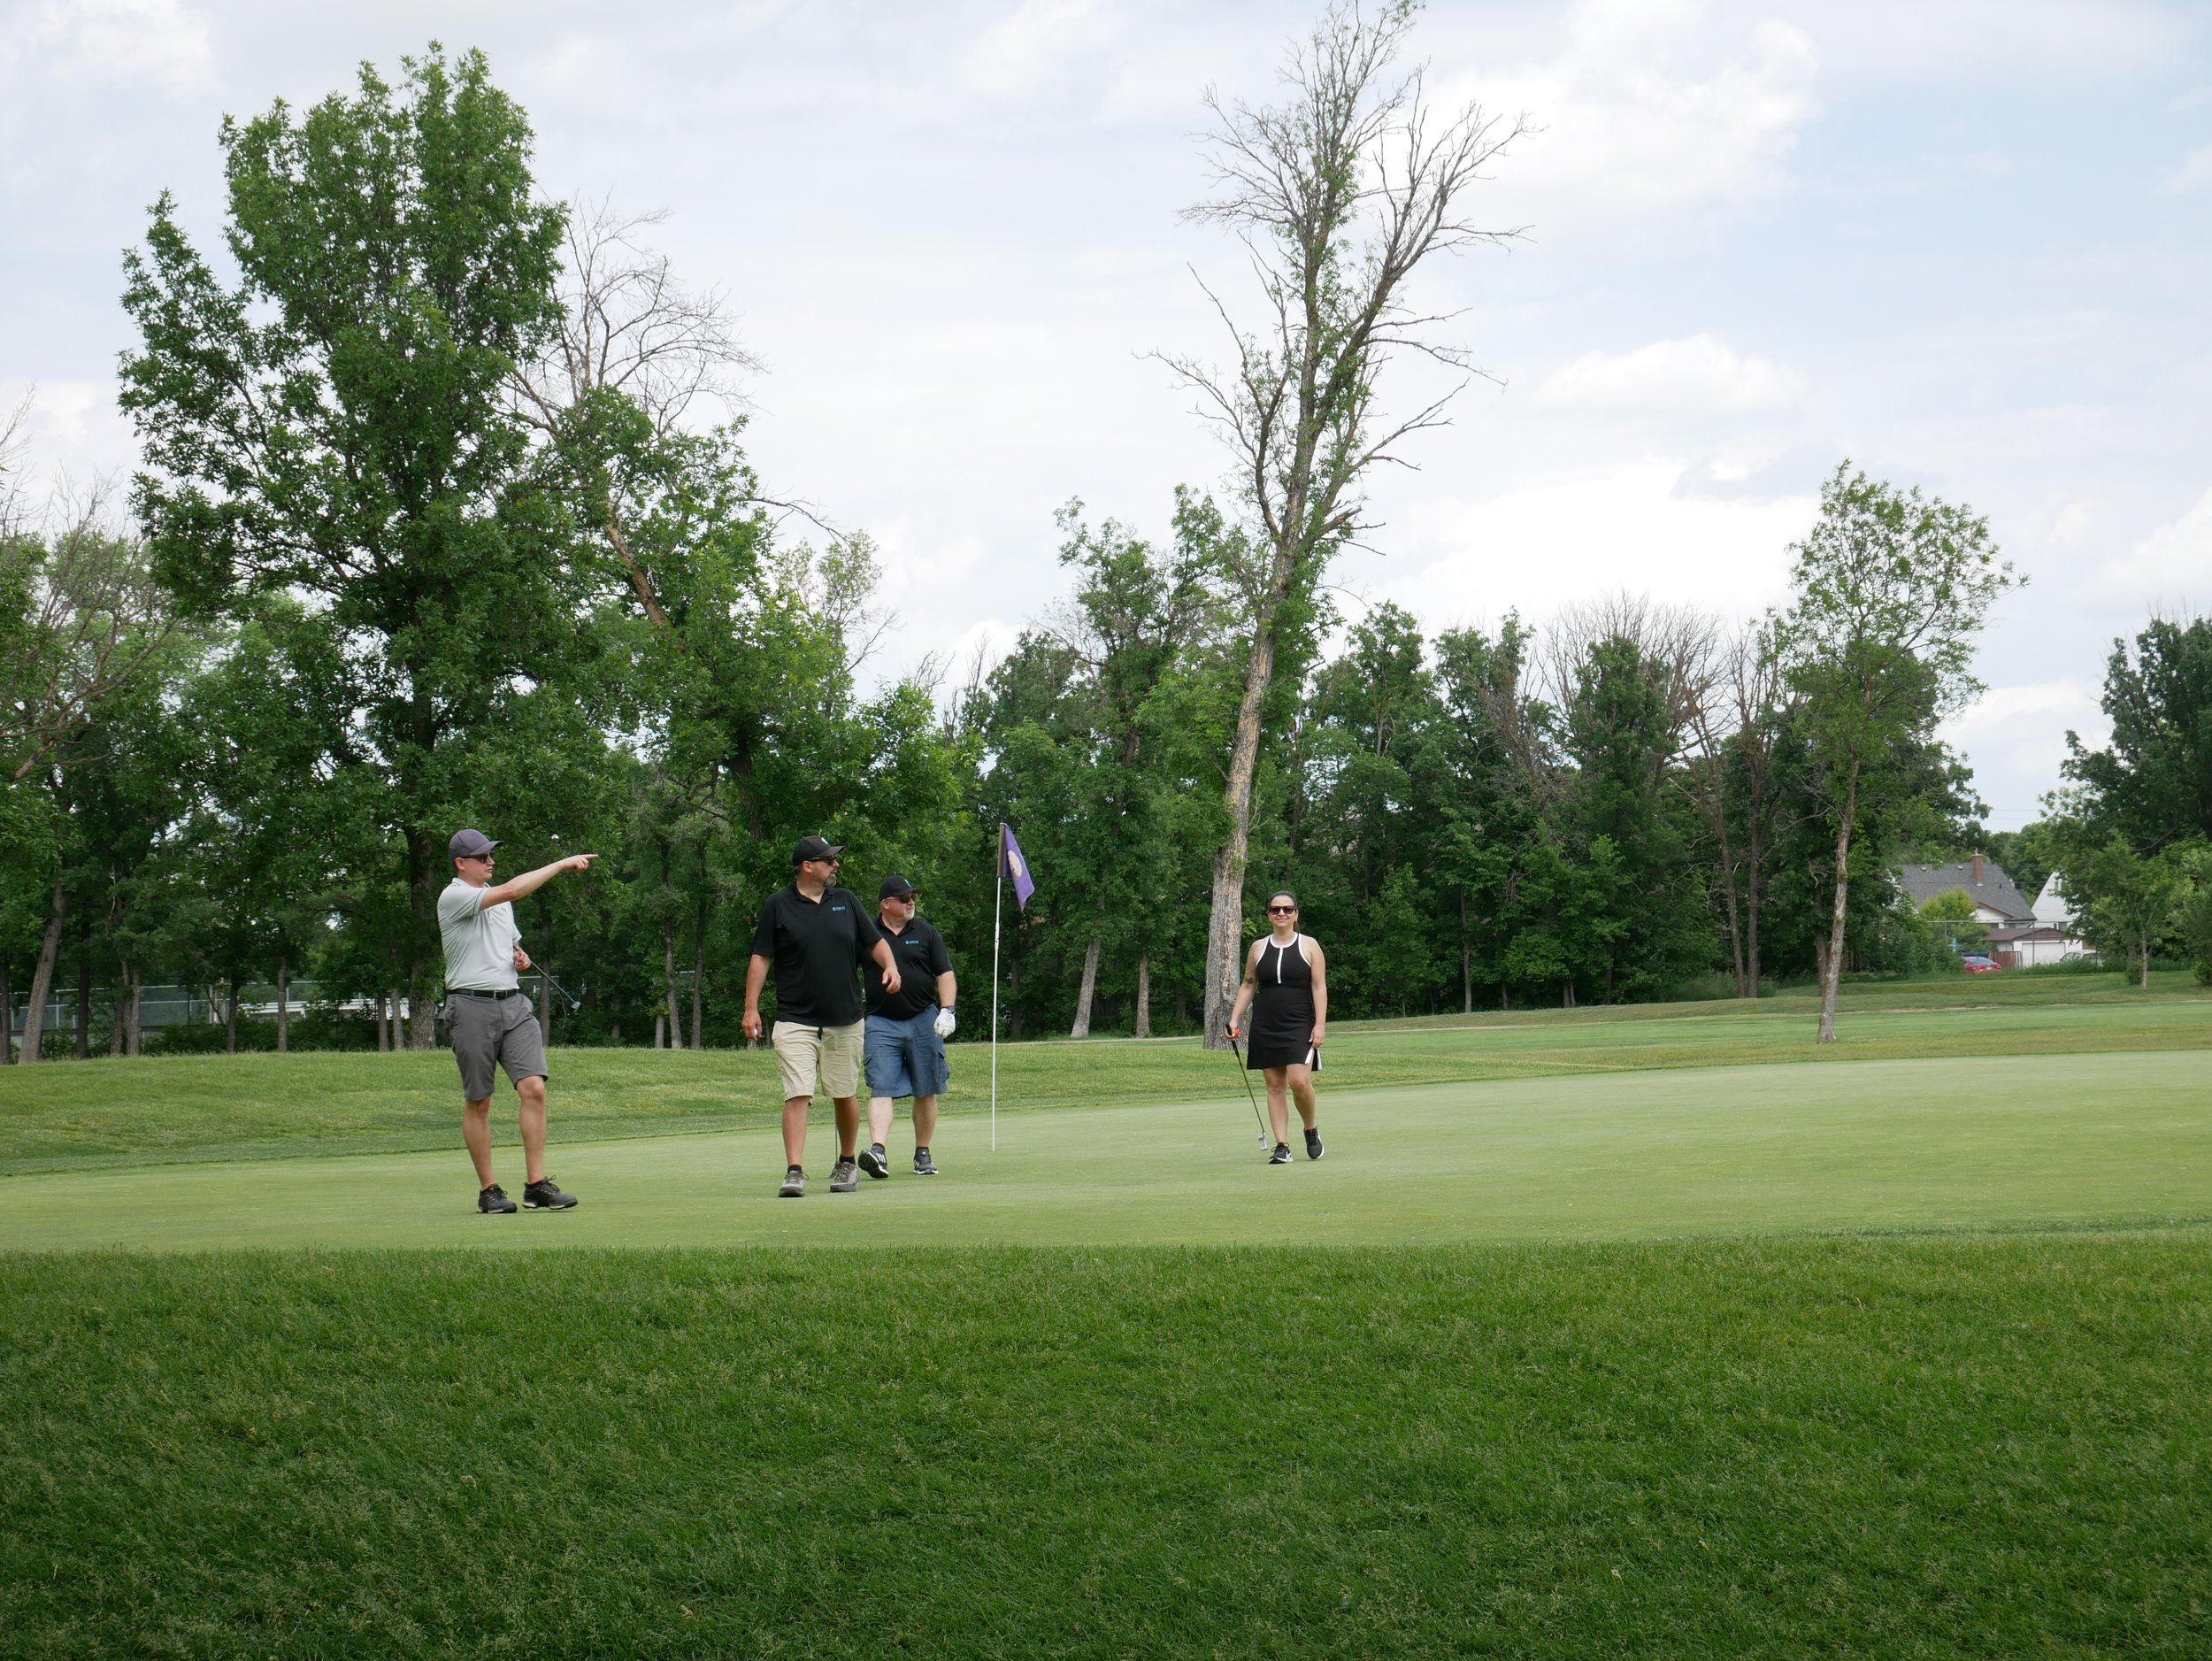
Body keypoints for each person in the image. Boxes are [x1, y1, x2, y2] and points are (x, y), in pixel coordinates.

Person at [437, 828, 599, 1213]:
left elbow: (509, 942)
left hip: (513, 1004)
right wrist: (560, 864)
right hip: (470, 1005)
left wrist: (520, 957)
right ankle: (489, 1190)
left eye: (491, 855)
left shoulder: (499, 903)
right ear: (462, 864)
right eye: (482, 857)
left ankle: (536, 1185)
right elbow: (512, 890)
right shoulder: (455, 895)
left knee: (534, 1089)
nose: (490, 861)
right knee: (480, 1101)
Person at [743, 835, 902, 1197]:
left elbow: (874, 941)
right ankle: (795, 1171)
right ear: (806, 866)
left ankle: (846, 1163)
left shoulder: (845, 901)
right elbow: (761, 957)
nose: (835, 865)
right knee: (797, 1093)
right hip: (794, 1019)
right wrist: (751, 1007)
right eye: (828, 860)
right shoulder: (778, 905)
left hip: (845, 1018)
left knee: (844, 1093)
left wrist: (891, 966)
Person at [858, 874, 956, 1178]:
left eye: (912, 897)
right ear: (886, 904)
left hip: (923, 1019)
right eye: (904, 898)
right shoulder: (867, 934)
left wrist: (948, 1010)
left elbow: (945, 974)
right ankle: (878, 1151)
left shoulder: (926, 932)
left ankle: (922, 1153)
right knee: (881, 1087)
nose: (911, 902)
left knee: (926, 1088)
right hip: (880, 1021)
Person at [1226, 888, 1328, 1165]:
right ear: (1269, 915)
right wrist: (1234, 1019)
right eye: (1275, 910)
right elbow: (1249, 984)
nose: (1281, 914)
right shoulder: (1258, 948)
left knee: (1299, 1081)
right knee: (1274, 1085)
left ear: (1295, 914)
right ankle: (1282, 1146)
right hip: (1266, 1023)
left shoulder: (1309, 946)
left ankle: (1310, 1129)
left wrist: (1320, 1024)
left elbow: (1318, 986)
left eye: (1287, 909)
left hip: (1299, 1023)